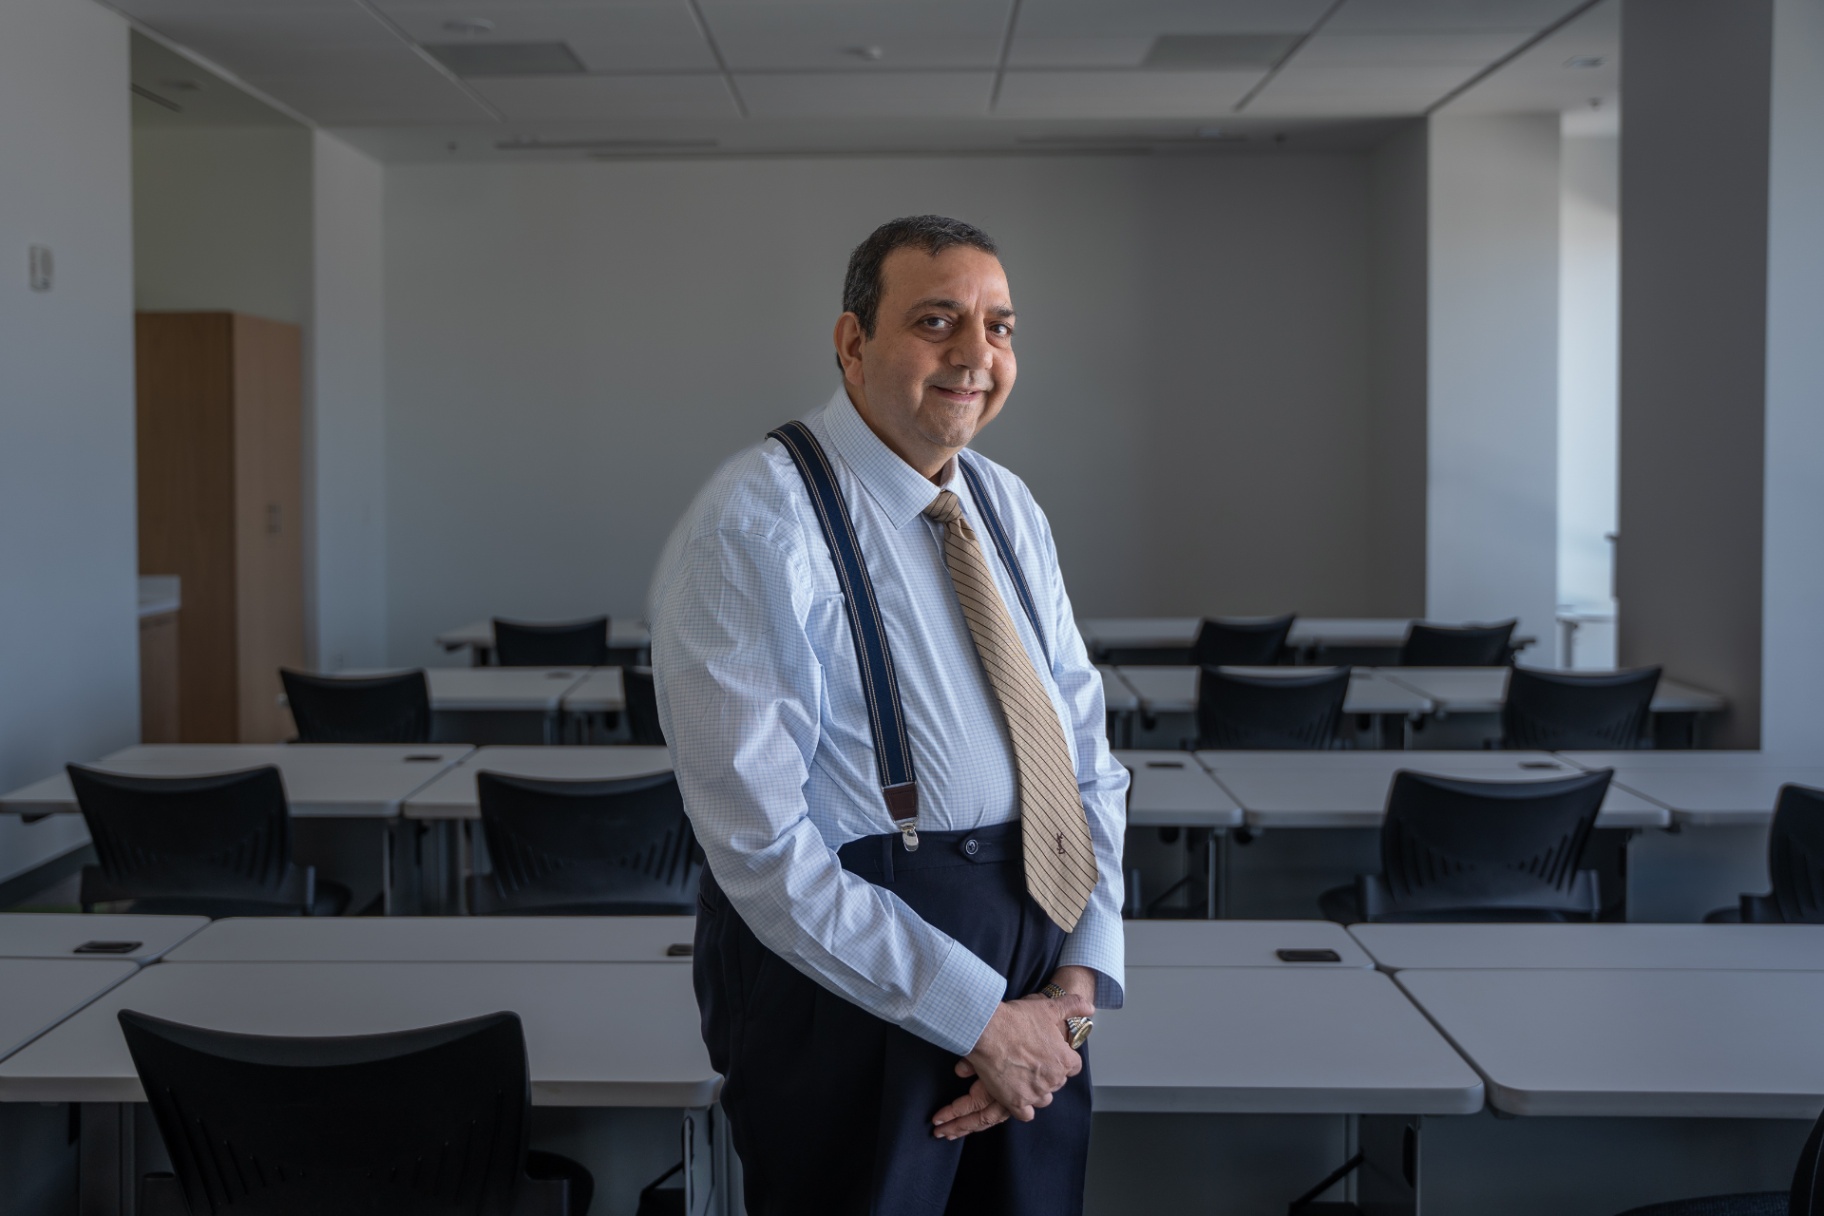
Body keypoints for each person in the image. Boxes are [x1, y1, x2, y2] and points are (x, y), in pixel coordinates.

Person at [650, 214, 1128, 1216]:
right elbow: (761, 851)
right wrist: (979, 1020)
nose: (976, 354)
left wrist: (1076, 990)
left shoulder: (1007, 506)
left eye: (999, 327)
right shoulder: (753, 522)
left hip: (1039, 986)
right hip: (854, 987)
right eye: (936, 321)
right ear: (853, 342)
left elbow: (1084, 756)